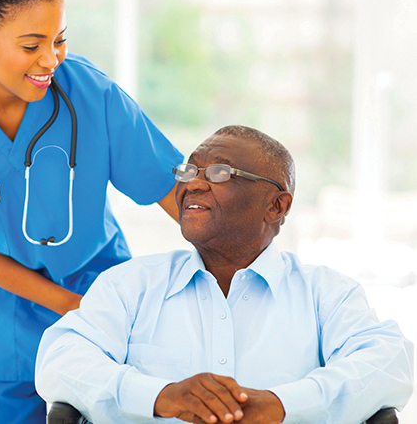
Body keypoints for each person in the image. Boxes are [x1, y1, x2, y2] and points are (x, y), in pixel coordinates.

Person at [0, 0, 183, 424]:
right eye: (31, 45)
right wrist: (68, 305)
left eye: (59, 39)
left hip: (100, 303)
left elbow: (176, 194)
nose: (51, 59)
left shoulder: (90, 94)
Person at [35, 125, 414, 424]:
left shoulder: (326, 293)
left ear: (276, 205)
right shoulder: (131, 284)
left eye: (218, 172)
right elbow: (61, 360)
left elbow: (387, 363)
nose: (193, 183)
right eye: (189, 169)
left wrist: (281, 406)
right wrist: (160, 396)